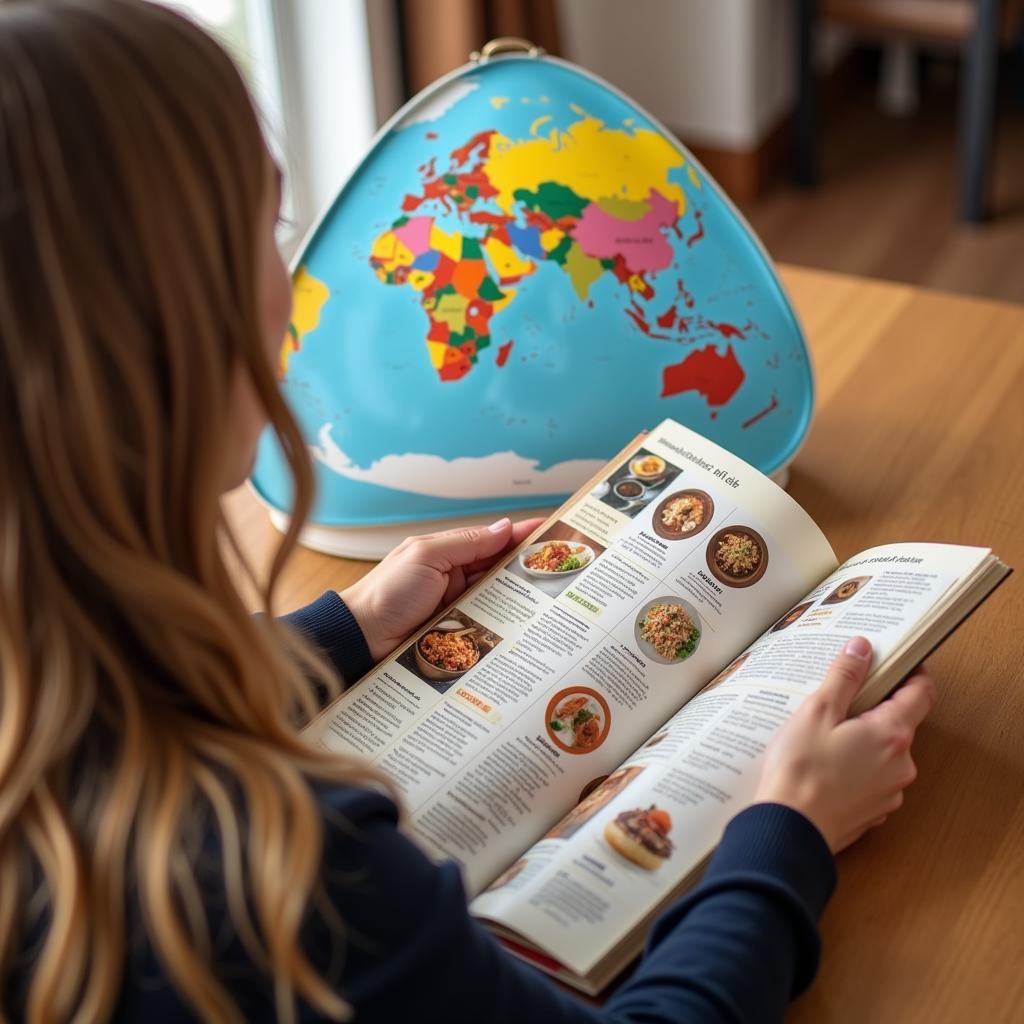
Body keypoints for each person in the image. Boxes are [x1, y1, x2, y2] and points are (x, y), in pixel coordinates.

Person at [0, 2, 936, 1021]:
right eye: (266, 233)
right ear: (172, 325)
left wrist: (343, 628)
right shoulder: (290, 874)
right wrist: (782, 836)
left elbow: (104, 705)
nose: (289, 288)